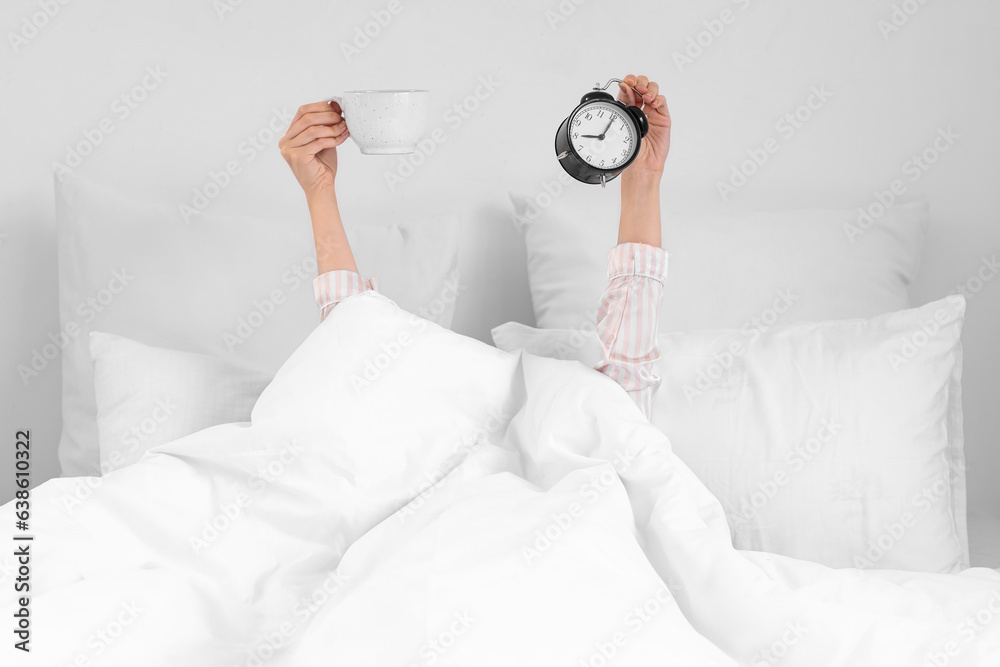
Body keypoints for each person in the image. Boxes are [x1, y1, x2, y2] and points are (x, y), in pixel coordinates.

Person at [279, 73, 671, 418]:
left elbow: (623, 402)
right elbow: (349, 354)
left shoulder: (578, 436)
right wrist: (319, 192)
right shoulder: (397, 428)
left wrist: (643, 178)